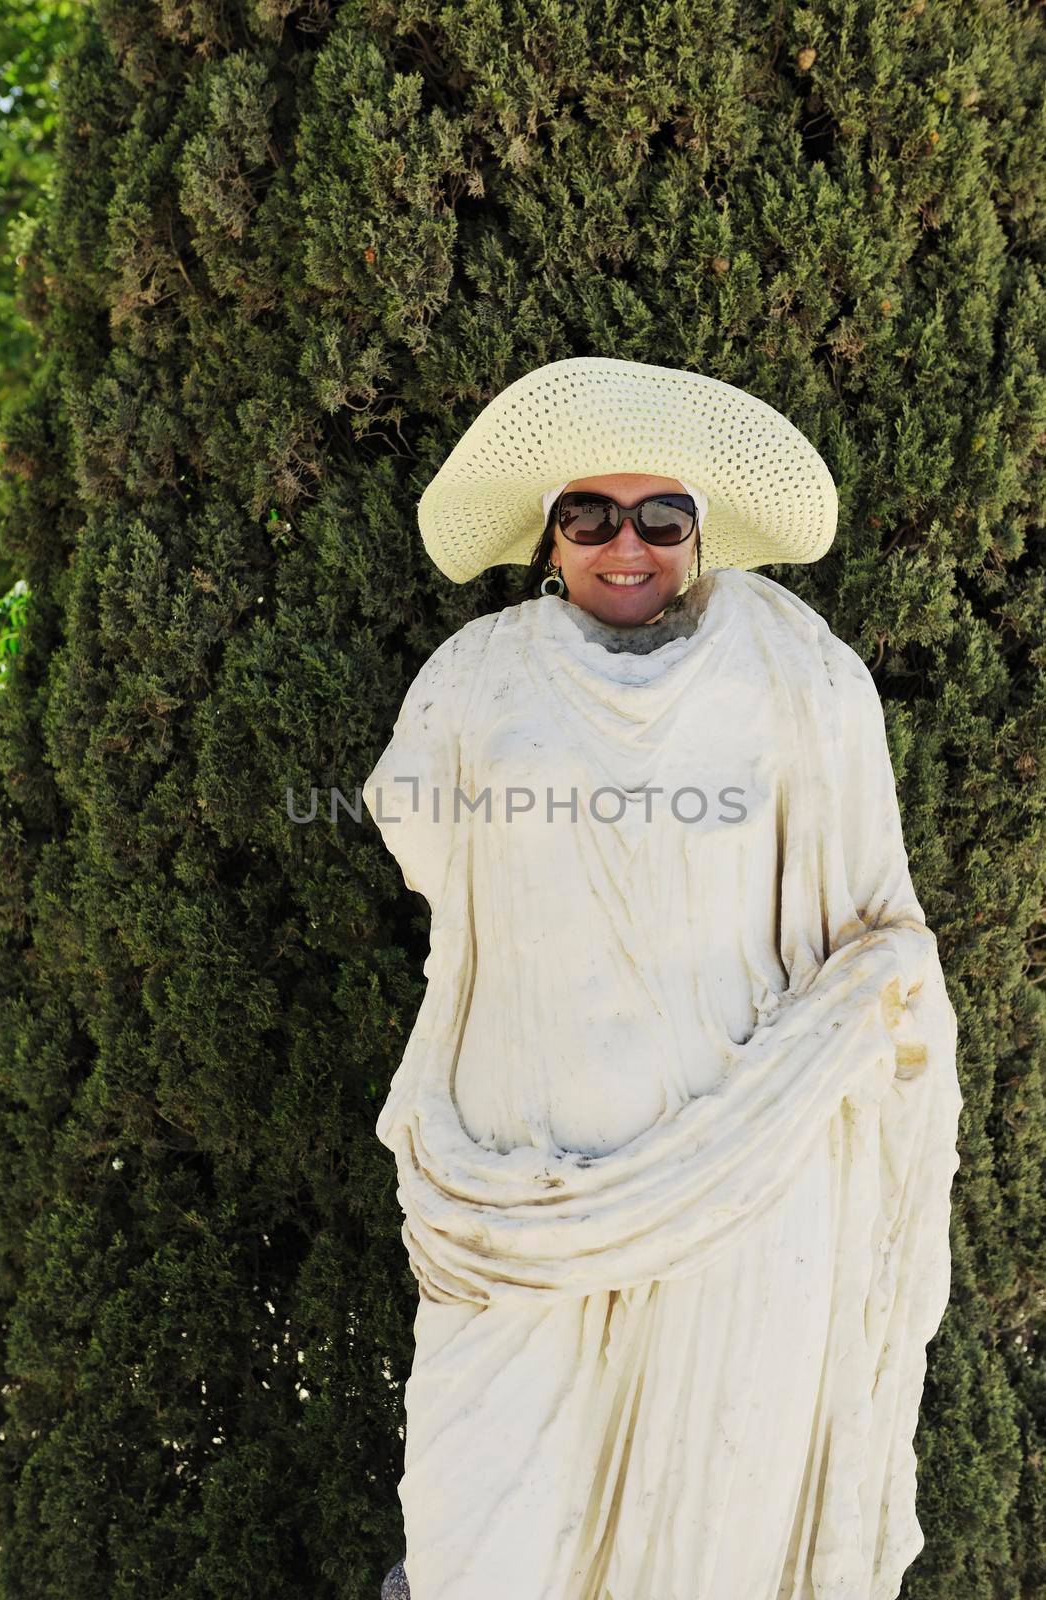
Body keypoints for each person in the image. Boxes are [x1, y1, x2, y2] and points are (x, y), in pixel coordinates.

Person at [365, 356, 963, 1600]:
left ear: (697, 535)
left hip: (744, 1186)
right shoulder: (472, 680)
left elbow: (871, 917)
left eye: (657, 517)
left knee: (715, 1539)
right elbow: (417, 833)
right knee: (480, 1532)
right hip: (508, 1197)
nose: (621, 545)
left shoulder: (798, 674)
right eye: (587, 514)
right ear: (547, 536)